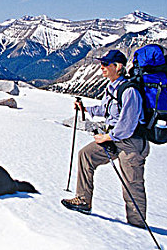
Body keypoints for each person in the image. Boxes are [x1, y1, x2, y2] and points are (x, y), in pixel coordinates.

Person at [61, 50, 149, 228]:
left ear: (117, 67)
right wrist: (86, 109)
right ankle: (83, 200)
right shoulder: (112, 88)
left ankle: (138, 226)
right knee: (86, 155)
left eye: (106, 64)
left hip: (131, 143)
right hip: (115, 138)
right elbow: (105, 110)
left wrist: (107, 137)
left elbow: (127, 125)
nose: (101, 67)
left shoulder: (130, 91)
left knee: (131, 185)